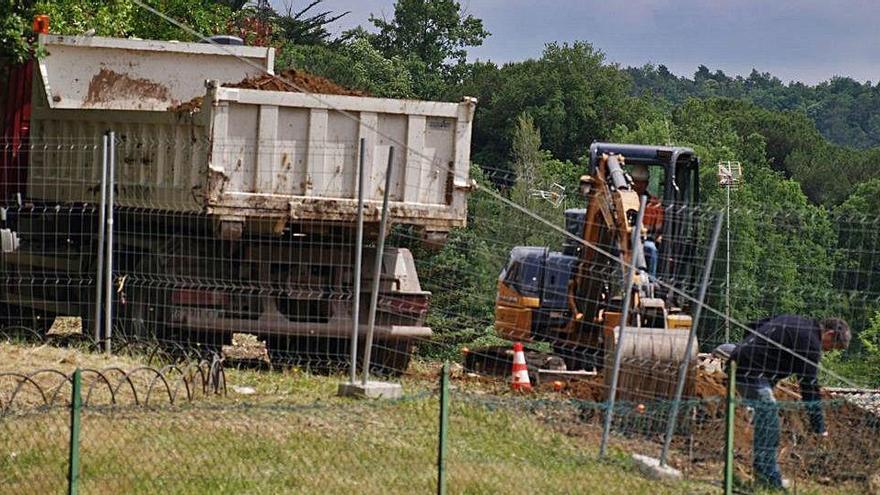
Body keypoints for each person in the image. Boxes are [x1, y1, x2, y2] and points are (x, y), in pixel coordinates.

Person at [725, 315, 851, 490]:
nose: (828, 351)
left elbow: (754, 324)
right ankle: (769, 479)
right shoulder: (811, 343)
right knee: (770, 422)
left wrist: (750, 352)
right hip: (751, 373)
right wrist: (819, 428)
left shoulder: (796, 321)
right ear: (829, 334)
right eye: (832, 347)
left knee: (766, 418)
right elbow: (809, 386)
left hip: (739, 363)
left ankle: (763, 473)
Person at [629, 164, 663, 278]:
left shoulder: (654, 204)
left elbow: (658, 231)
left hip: (645, 241)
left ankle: (650, 282)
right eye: (636, 182)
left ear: (647, 184)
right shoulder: (622, 201)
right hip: (623, 239)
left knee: (651, 249)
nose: (638, 185)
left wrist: (656, 237)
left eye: (641, 182)